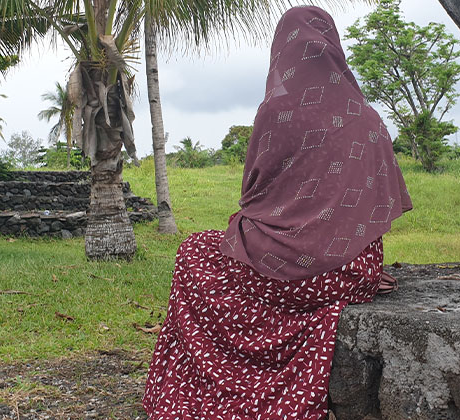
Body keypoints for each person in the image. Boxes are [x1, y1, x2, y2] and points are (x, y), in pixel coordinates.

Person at [143, 6, 412, 419]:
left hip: (276, 275)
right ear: (334, 50)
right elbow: (376, 205)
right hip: (350, 275)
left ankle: (212, 385)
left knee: (195, 252)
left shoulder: (276, 114)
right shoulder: (370, 120)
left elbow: (252, 198)